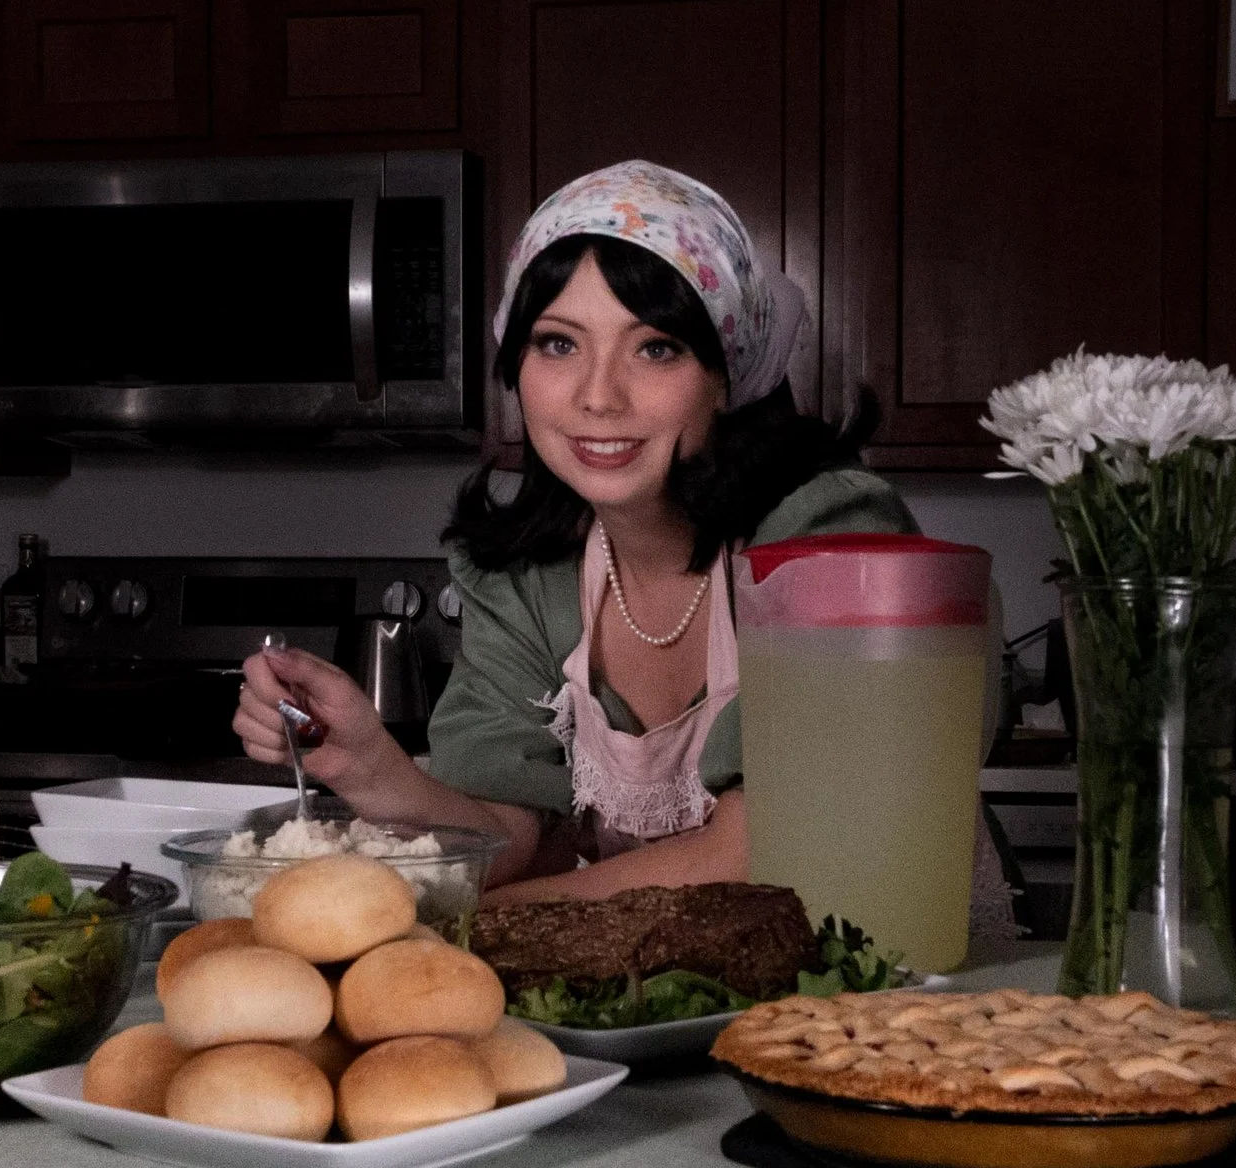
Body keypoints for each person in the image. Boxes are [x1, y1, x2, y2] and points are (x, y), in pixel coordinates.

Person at [237, 161, 1005, 925]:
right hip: (672, 998)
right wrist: (371, 764)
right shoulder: (528, 577)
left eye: (656, 348)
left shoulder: (833, 539)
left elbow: (759, 853)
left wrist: (463, 927)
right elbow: (509, 836)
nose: (598, 396)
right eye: (558, 344)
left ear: (726, 374)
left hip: (893, 995)